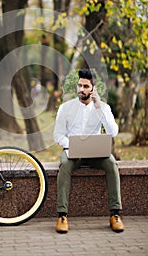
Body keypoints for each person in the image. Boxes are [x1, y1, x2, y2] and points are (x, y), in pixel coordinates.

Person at [53, 69, 125, 234]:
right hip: (72, 151)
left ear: (93, 88)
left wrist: (99, 107)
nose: (81, 89)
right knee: (64, 165)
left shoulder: (103, 107)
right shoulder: (66, 108)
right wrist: (72, 144)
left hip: (95, 153)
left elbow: (113, 132)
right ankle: (62, 215)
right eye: (80, 85)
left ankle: (115, 214)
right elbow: (57, 135)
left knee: (112, 164)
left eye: (86, 86)